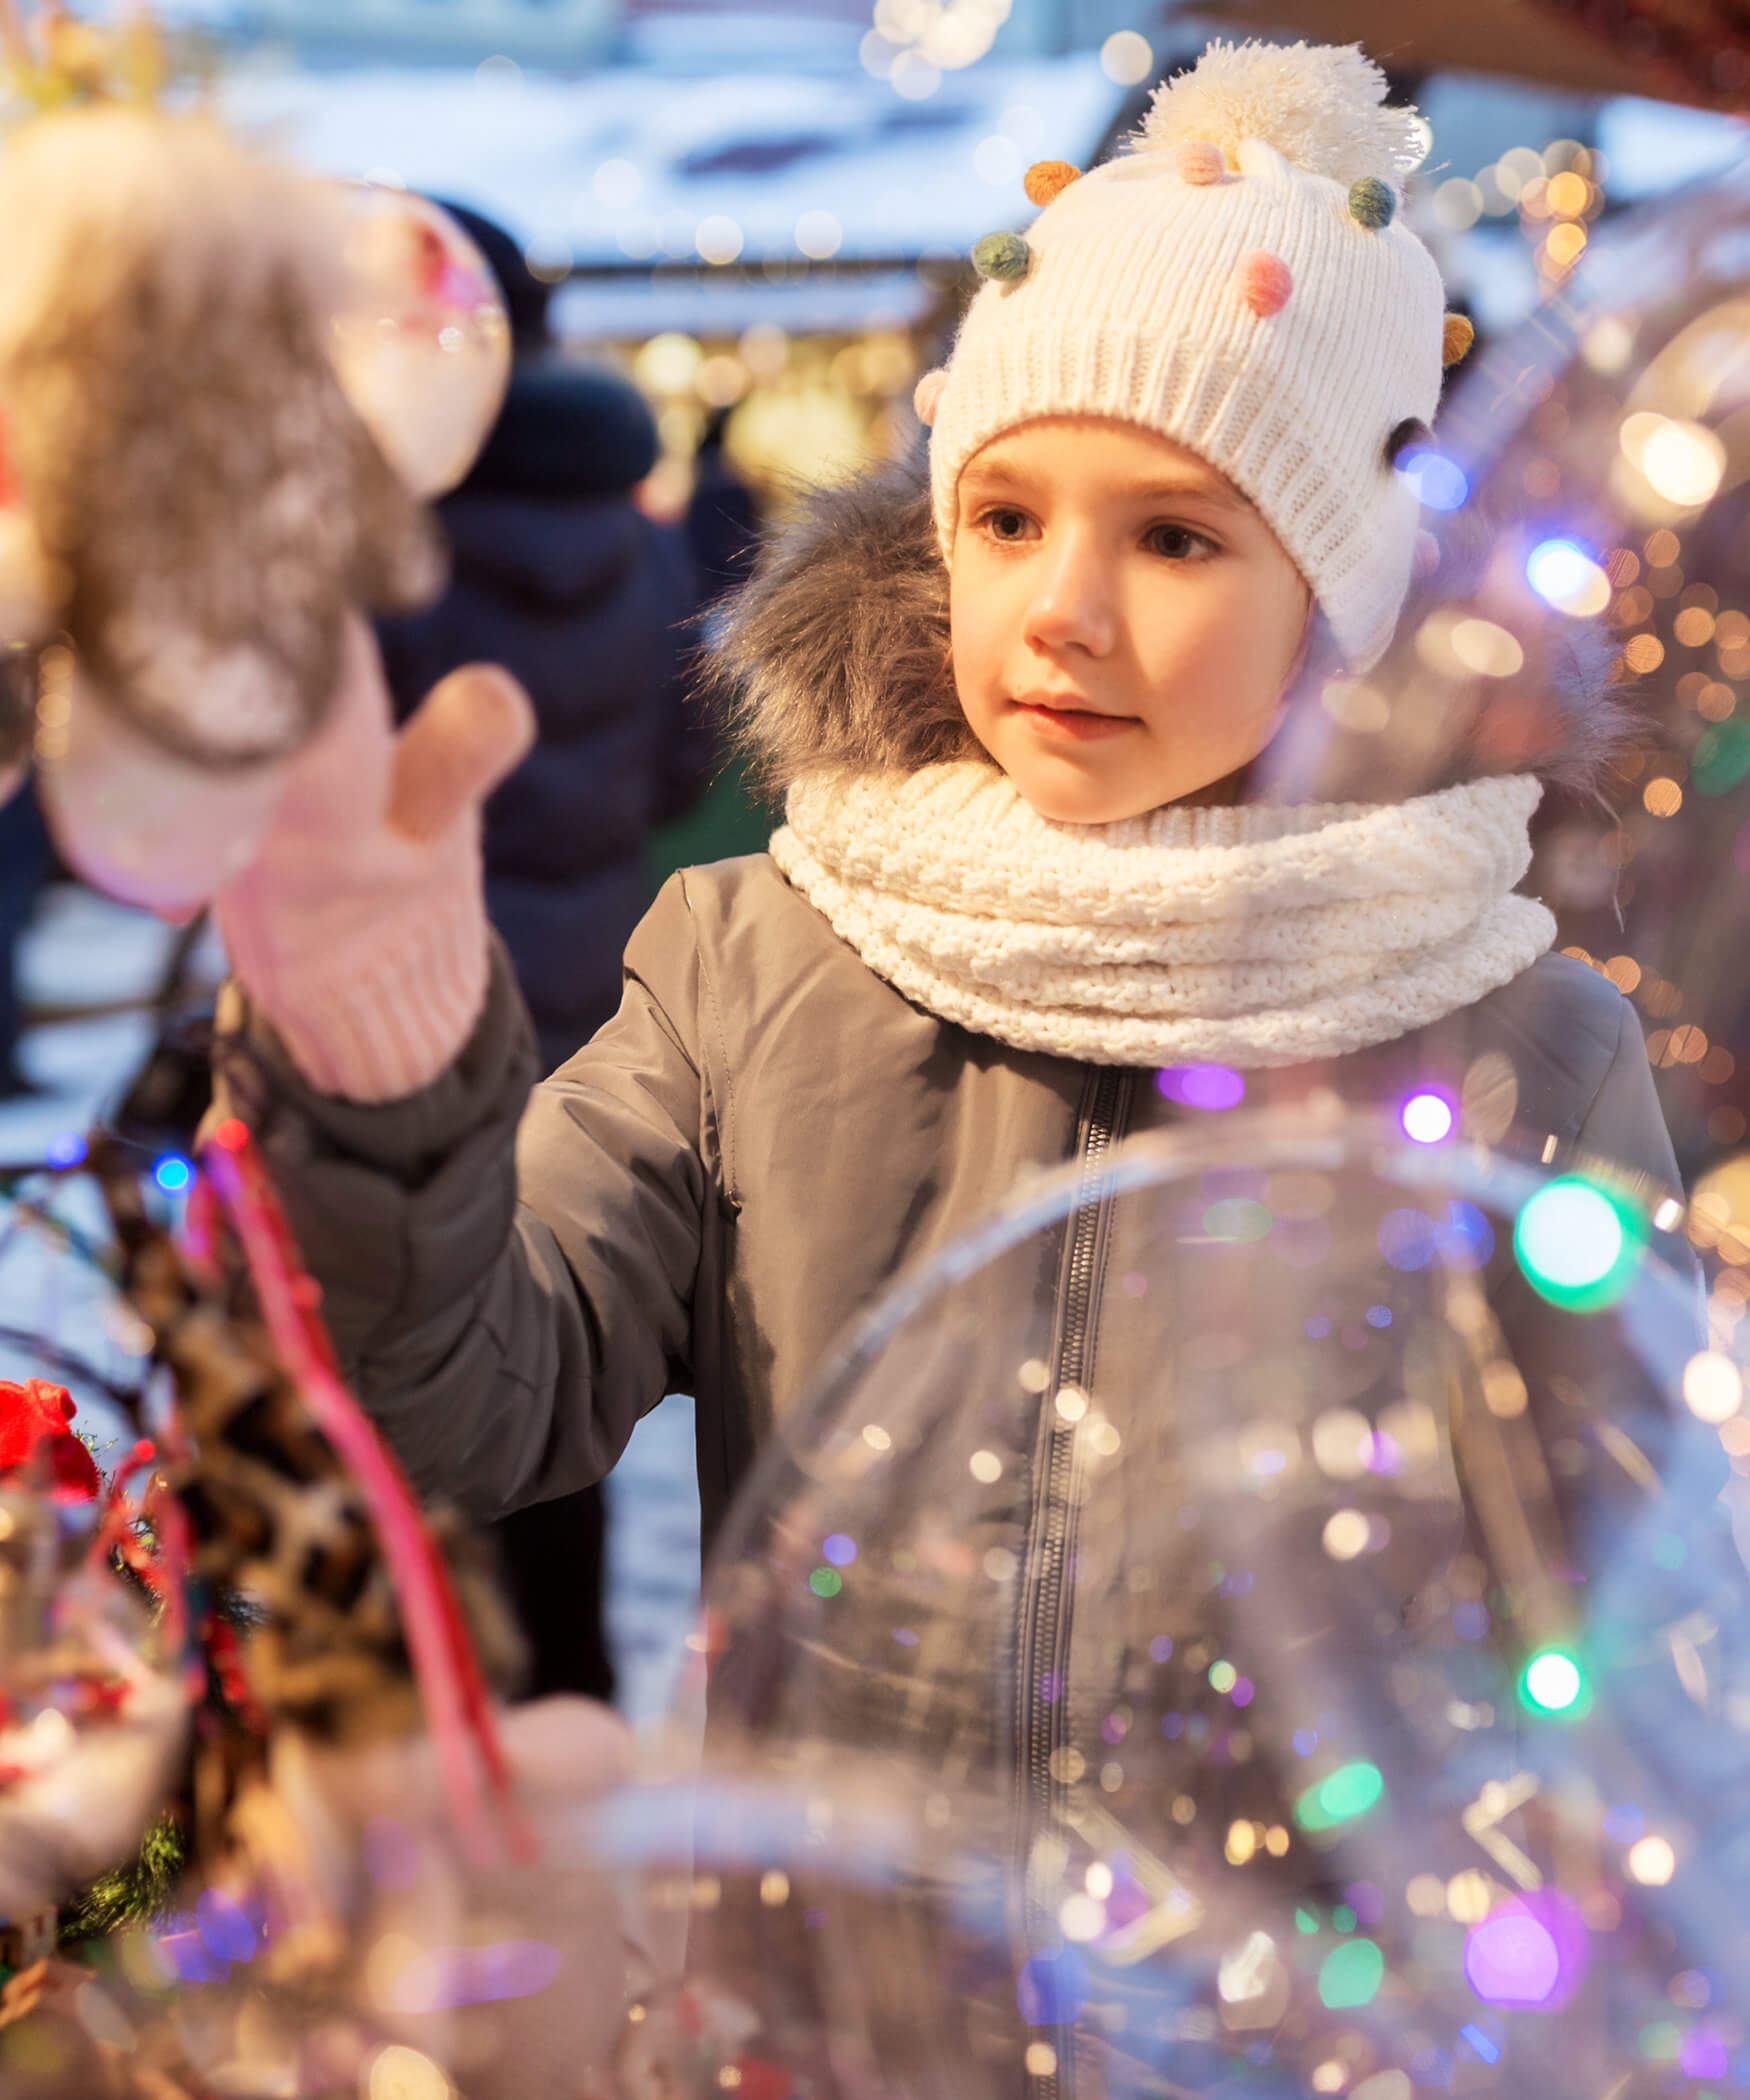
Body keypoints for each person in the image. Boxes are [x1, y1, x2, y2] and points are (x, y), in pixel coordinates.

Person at [204, 43, 1684, 1661]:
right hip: (817, 1905)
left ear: (1342, 615)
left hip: (1296, 1915)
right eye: (1003, 518)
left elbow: (1617, 1594)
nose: (1059, 609)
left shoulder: (1529, 1053)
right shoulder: (747, 963)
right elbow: (462, 1402)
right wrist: (378, 1089)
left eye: (1177, 535)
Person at [371, 204, 705, 1707]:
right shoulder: (643, 538)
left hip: (404, 1011)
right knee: (559, 1336)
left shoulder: (390, 546)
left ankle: (428, 1708)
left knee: (417, 1356)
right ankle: (566, 1688)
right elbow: (689, 761)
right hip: (586, 994)